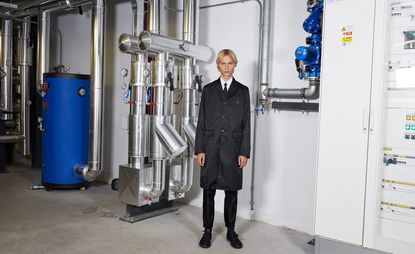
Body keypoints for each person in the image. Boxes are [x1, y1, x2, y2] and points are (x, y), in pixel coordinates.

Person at [194, 49, 251, 249]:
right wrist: (199, 149)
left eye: (230, 64)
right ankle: (207, 231)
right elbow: (201, 121)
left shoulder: (243, 91)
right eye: (223, 64)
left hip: (233, 149)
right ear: (217, 66)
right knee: (208, 191)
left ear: (235, 65)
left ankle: (231, 231)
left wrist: (244, 152)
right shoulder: (209, 90)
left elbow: (246, 124)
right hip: (210, 148)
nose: (227, 68)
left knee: (231, 192)